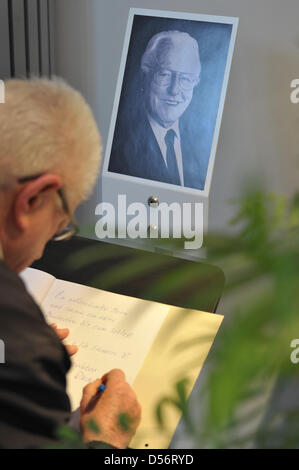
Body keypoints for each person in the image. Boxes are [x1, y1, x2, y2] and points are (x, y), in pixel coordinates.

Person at [0, 78, 141, 449]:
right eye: (59, 226)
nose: (44, 250)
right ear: (31, 200)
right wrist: (106, 442)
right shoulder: (22, 348)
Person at [109, 30, 206, 190]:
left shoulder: (202, 144)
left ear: (195, 83)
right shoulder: (117, 148)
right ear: (144, 76)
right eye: (164, 75)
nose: (174, 90)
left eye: (186, 79)